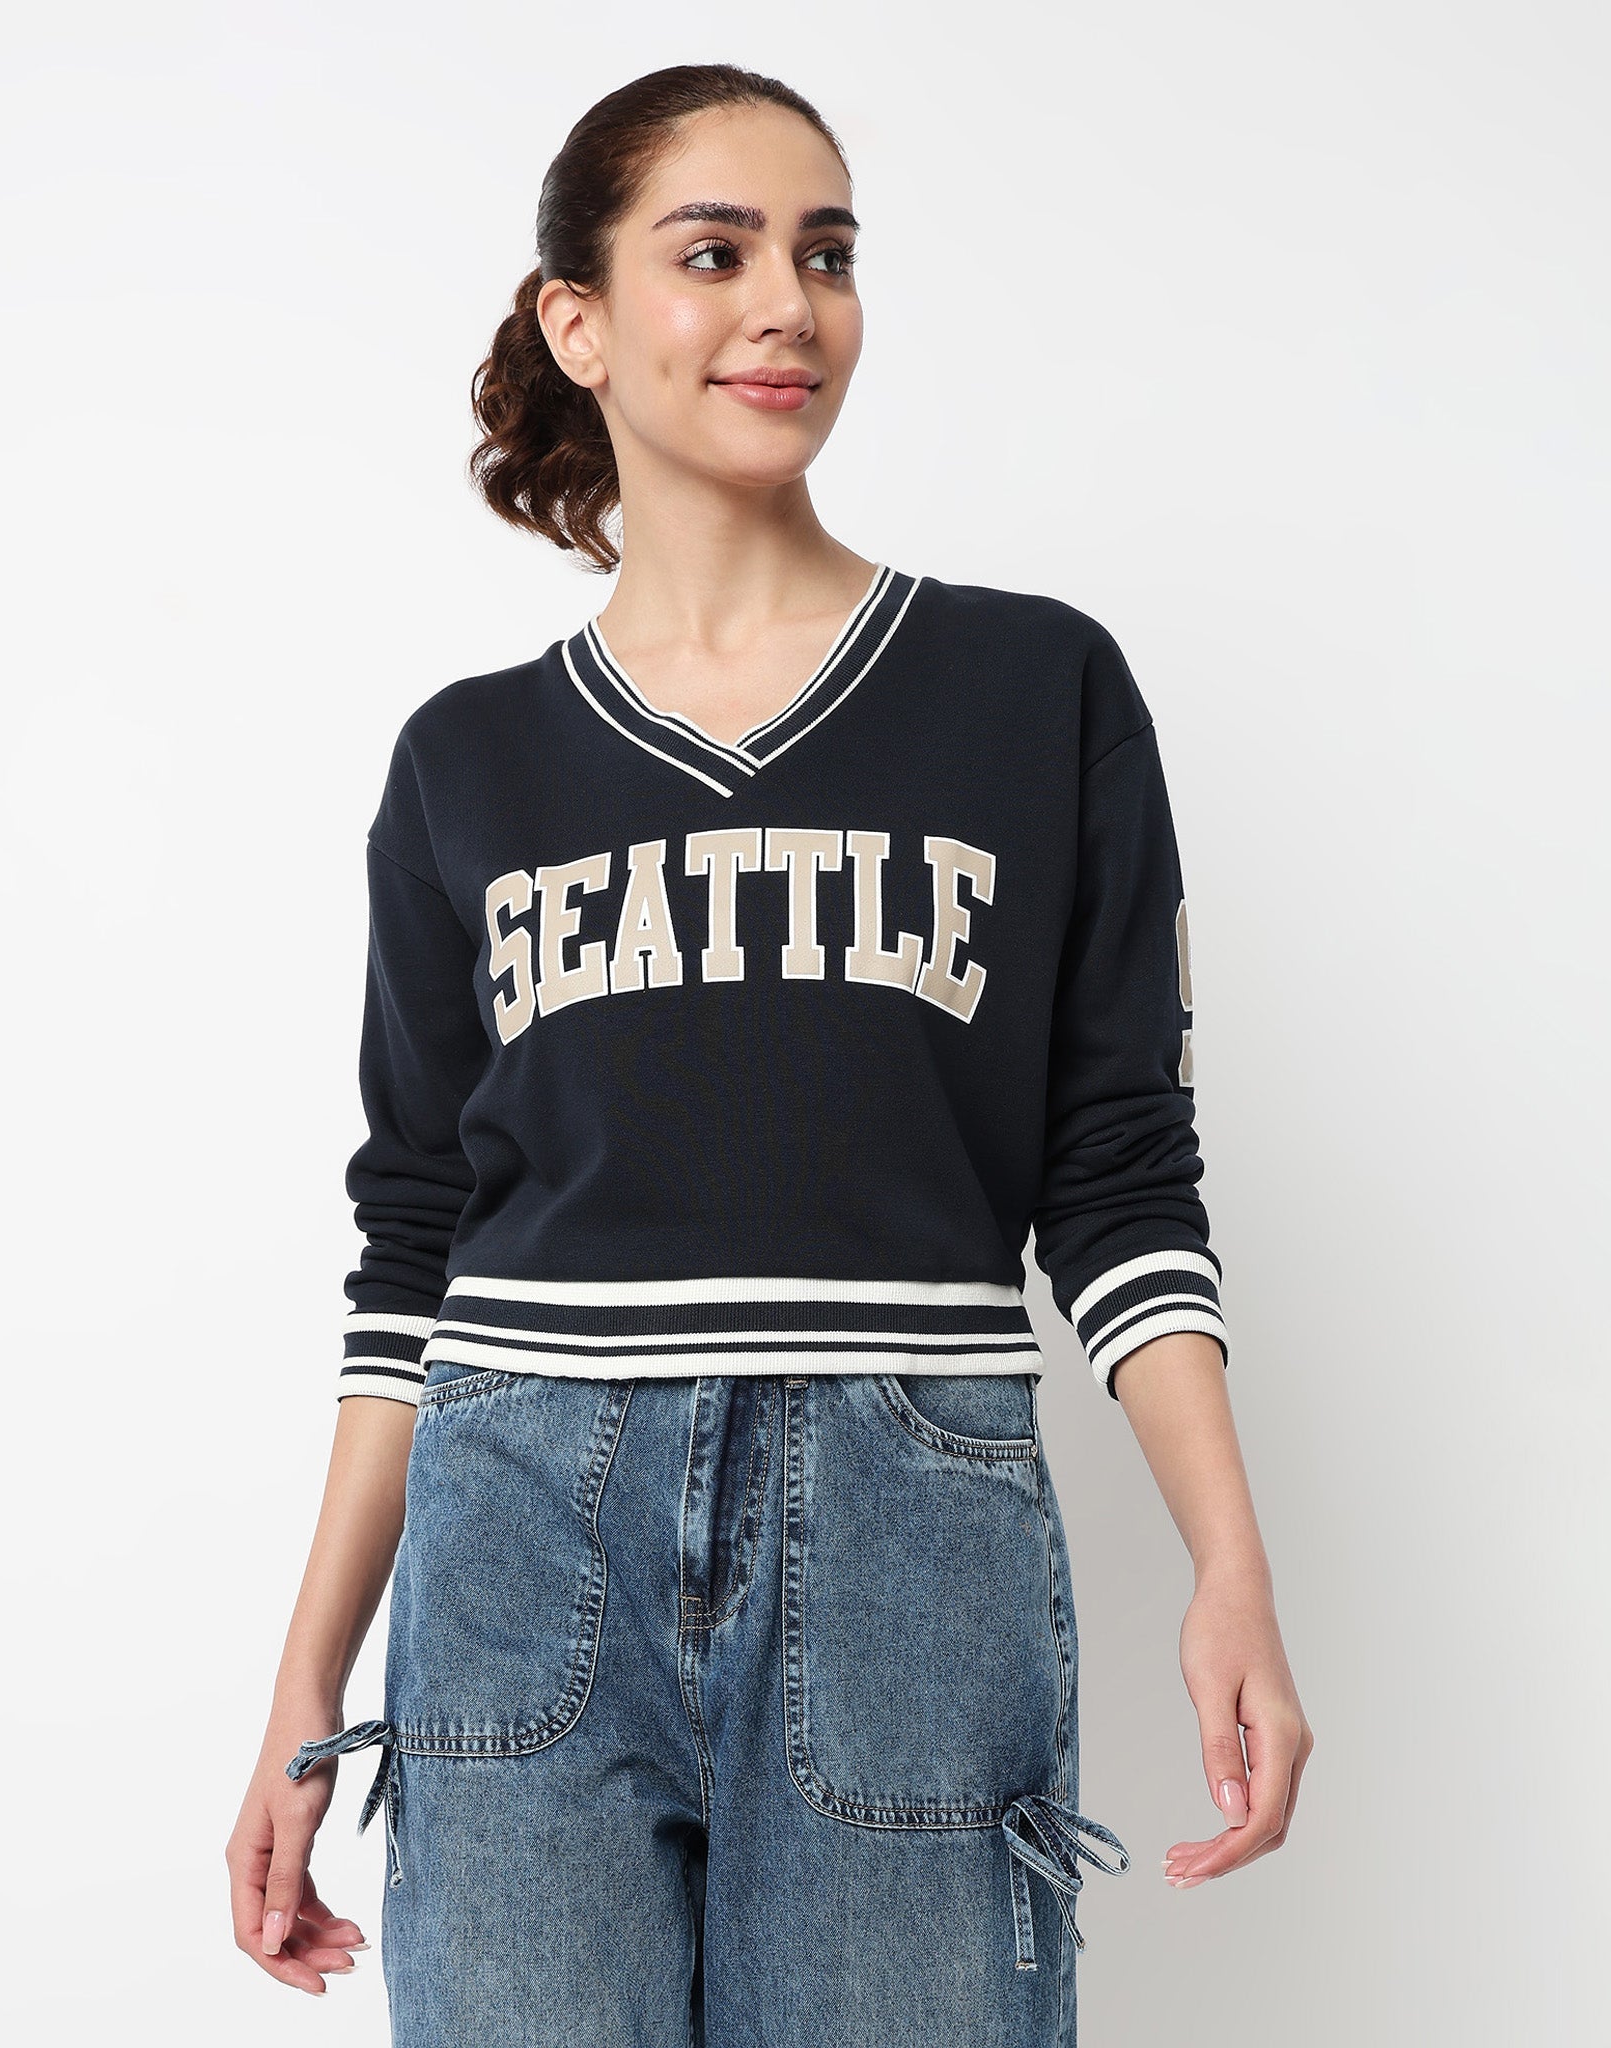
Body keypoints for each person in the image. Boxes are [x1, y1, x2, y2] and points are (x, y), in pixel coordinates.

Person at [226, 62, 1313, 2045]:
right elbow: (413, 1244)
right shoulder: (466, 760)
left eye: (825, 253)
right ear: (577, 320)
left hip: (911, 1527)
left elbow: (1117, 1170)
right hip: (516, 1529)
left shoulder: (1032, 687)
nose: (786, 307)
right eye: (712, 254)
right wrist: (309, 1682)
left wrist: (1226, 1564)